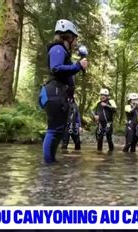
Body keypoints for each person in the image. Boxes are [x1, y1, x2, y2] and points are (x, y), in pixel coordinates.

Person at [41, 19, 88, 163]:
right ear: (68, 36)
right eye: (75, 38)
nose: (76, 42)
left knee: (59, 130)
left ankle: (51, 162)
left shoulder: (63, 51)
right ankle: (48, 165)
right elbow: (56, 68)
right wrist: (77, 66)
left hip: (59, 93)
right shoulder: (57, 48)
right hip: (53, 92)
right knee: (54, 130)